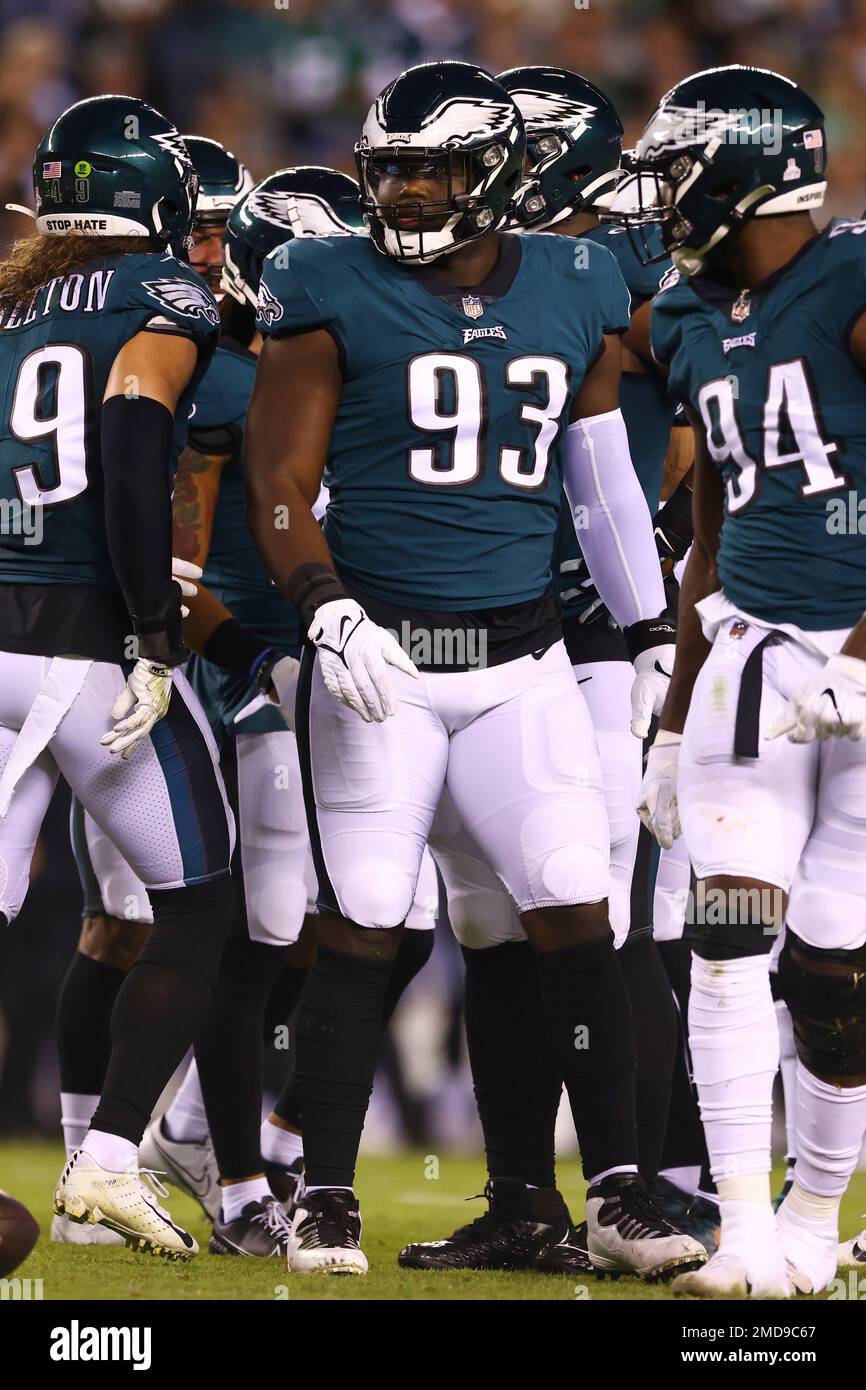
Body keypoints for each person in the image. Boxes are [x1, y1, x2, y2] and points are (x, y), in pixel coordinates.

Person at [245, 60, 706, 1280]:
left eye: (428, 170)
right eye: (387, 169)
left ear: (493, 172)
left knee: (572, 902)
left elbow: (601, 484)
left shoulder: (572, 277)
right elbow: (278, 481)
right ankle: (325, 1197)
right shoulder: (319, 276)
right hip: (382, 656)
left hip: (523, 662)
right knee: (364, 917)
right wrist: (324, 605)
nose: (400, 194)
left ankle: (612, 1193)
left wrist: (652, 631)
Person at [398, 64, 707, 1273]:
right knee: (490, 927)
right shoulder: (483, 273)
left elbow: (696, 405)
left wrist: (661, 571)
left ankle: (662, 1187)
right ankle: (524, 1196)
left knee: (598, 910)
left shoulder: (616, 272)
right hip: (496, 631)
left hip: (590, 635)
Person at [636, 63, 866, 1298]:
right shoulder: (683, 315)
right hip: (752, 661)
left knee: (835, 964)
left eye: (678, 165)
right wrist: (671, 721)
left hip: (858, 665)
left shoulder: (850, 272)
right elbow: (711, 530)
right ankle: (739, 1236)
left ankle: (812, 1223)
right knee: (726, 935)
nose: (666, 192)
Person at [0, 95, 234, 1259]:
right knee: (200, 902)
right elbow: (138, 436)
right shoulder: (162, 291)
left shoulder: (10, 308)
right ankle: (105, 1163)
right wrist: (154, 627)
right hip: (82, 643)